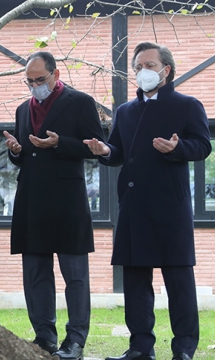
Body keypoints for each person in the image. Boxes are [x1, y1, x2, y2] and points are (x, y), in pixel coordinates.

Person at [85, 42, 211, 360]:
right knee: (136, 283)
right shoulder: (125, 111)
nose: (143, 72)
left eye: (149, 65)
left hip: (171, 207)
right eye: (138, 66)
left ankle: (183, 348)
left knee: (179, 283)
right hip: (134, 207)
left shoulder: (187, 105)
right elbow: (117, 153)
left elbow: (202, 146)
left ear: (165, 70)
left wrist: (177, 149)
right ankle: (140, 347)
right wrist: (104, 152)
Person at [3, 51, 105, 360]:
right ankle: (44, 336)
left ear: (56, 74)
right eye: (29, 81)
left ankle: (75, 340)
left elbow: (95, 147)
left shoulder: (80, 102)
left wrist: (59, 143)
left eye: (40, 80)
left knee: (75, 275)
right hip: (31, 202)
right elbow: (23, 155)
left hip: (67, 201)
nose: (35, 86)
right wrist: (16, 151)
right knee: (36, 273)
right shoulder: (23, 110)